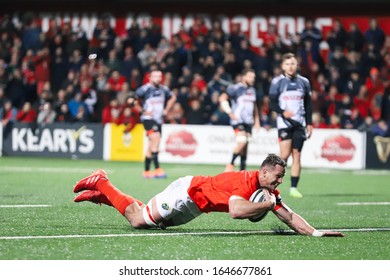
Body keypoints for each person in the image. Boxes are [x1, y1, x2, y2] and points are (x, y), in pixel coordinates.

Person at [73, 154, 343, 237]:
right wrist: (266, 205)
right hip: (186, 193)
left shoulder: (266, 190)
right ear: (262, 172)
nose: (279, 181)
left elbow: (289, 216)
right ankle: (103, 182)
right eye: (277, 177)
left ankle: (102, 195)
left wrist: (315, 232)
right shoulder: (245, 182)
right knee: (137, 220)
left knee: (151, 219)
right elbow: (237, 211)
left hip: (196, 207)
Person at [269, 53, 313, 198]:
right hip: (285, 124)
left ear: (297, 65)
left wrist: (310, 123)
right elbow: (272, 103)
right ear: (283, 66)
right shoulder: (277, 82)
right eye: (287, 64)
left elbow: (308, 104)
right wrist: (283, 112)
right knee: (284, 156)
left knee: (297, 155)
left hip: (300, 124)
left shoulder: (304, 82)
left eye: (293, 63)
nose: (290, 66)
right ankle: (272, 186)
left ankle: (294, 188)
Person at [130, 69, 176, 179]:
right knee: (155, 138)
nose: (158, 78)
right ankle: (157, 169)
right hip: (148, 119)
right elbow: (131, 100)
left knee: (153, 144)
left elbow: (173, 97)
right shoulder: (145, 89)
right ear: (150, 78)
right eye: (155, 76)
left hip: (158, 120)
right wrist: (142, 111)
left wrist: (167, 109)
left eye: (160, 76)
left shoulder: (164, 89)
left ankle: (146, 171)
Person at [219, 69, 260, 172]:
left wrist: (257, 120)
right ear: (244, 77)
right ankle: (230, 163)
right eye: (250, 77)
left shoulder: (253, 90)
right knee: (242, 142)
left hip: (249, 122)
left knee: (245, 147)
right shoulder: (235, 88)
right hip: (238, 121)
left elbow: (254, 106)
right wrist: (229, 112)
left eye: (253, 77)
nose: (252, 79)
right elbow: (222, 98)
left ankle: (242, 171)